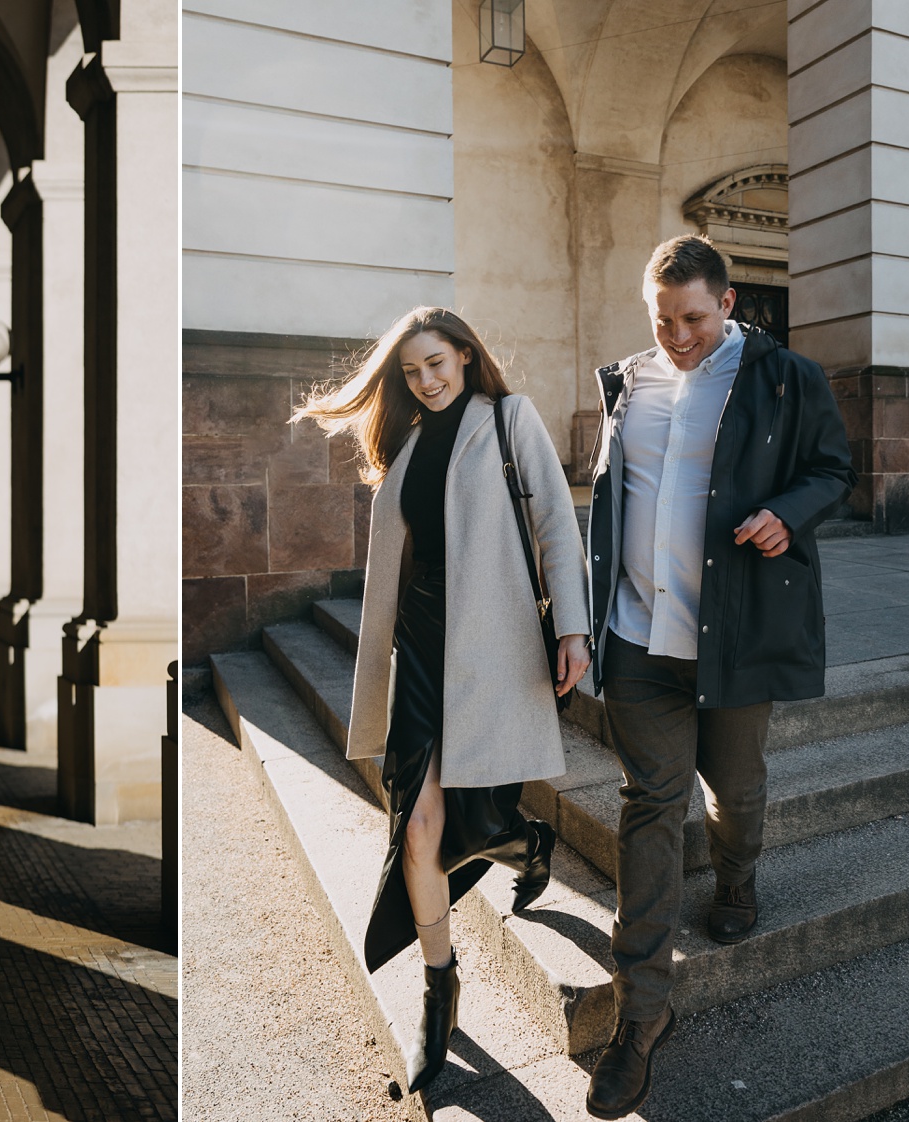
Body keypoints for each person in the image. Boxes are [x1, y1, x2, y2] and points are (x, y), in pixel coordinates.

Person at [583, 235, 856, 1120]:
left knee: (734, 786)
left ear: (729, 303)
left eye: (694, 317)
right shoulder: (629, 382)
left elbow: (832, 471)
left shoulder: (786, 378)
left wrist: (788, 513)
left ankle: (736, 876)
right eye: (662, 320)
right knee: (648, 804)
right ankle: (640, 1017)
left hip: (733, 637)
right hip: (638, 637)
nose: (678, 336)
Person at [295, 307, 590, 1092]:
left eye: (436, 363)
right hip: (421, 653)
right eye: (412, 371)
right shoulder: (408, 446)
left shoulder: (508, 419)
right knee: (419, 827)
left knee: (484, 821)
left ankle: (527, 846)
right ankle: (439, 989)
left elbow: (556, 523)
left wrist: (574, 628)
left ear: (464, 354)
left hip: (493, 652)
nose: (425, 380)